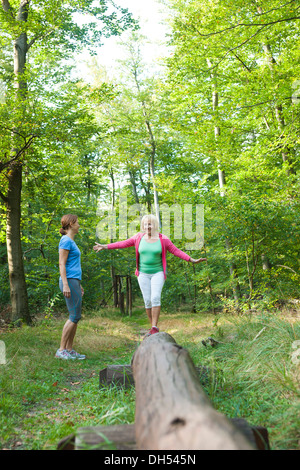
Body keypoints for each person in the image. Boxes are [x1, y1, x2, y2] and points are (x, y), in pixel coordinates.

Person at [93, 214, 206, 335]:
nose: (148, 226)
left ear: (155, 225)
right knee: (147, 300)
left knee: (155, 298)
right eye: (146, 224)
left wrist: (191, 260)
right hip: (142, 274)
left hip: (158, 273)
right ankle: (152, 327)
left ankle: (154, 326)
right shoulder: (138, 237)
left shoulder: (163, 239)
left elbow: (176, 251)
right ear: (143, 226)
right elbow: (122, 244)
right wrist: (105, 246)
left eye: (150, 224)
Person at [55, 214, 86, 360]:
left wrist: (78, 285)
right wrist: (66, 284)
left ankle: (69, 349)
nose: (79, 225)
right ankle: (61, 350)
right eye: (77, 222)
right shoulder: (65, 240)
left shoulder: (71, 241)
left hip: (74, 281)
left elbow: (72, 265)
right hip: (68, 280)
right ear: (71, 224)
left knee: (76, 316)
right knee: (73, 316)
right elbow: (62, 263)